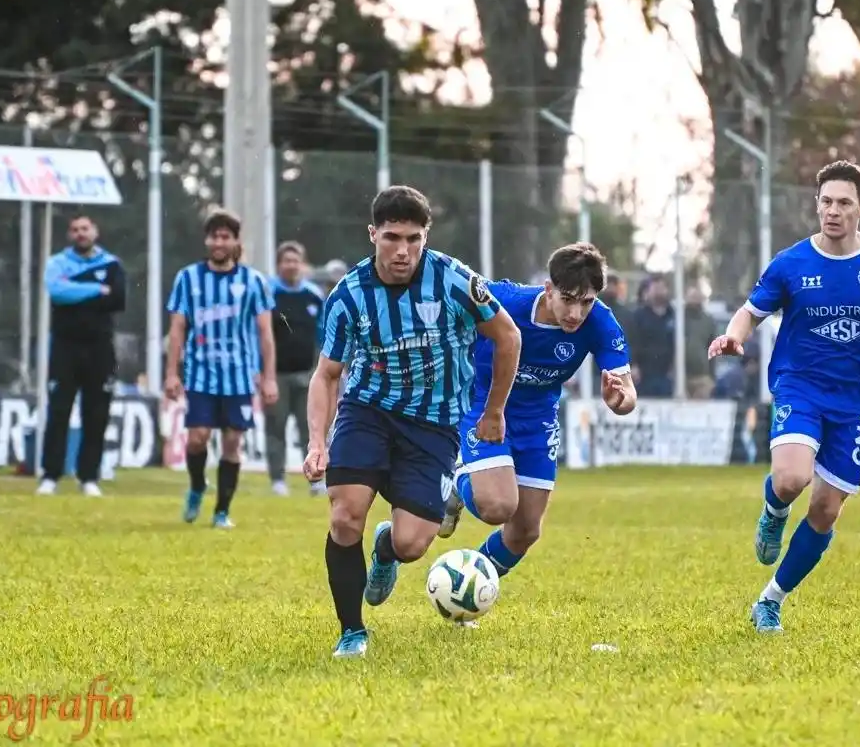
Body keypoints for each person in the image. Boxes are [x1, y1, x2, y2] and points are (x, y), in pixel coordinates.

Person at [301, 185, 522, 659]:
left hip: (433, 425)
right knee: (344, 516)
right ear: (372, 235)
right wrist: (317, 442)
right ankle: (352, 632)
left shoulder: (456, 281)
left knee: (411, 544)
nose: (403, 251)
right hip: (368, 412)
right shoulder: (348, 295)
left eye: (414, 239)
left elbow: (508, 335)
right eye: (392, 237)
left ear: (426, 237)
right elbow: (327, 375)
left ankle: (386, 551)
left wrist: (494, 410)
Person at [708, 160, 860, 633]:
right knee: (790, 478)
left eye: (844, 203)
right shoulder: (791, 263)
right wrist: (733, 337)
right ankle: (773, 511)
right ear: (817, 205)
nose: (833, 211)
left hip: (859, 398)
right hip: (800, 386)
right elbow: (750, 312)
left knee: (826, 511)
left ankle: (771, 600)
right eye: (826, 201)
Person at [438, 243, 637, 600]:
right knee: (497, 507)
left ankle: (465, 589)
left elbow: (628, 392)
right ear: (548, 289)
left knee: (525, 531)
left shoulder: (601, 322)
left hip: (539, 417)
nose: (577, 312)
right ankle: (456, 479)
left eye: (587, 301)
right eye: (569, 299)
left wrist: (619, 400)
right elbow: (449, 307)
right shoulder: (505, 301)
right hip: (484, 402)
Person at [164, 209, 279, 529]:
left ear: (235, 241)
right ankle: (198, 485)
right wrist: (172, 373)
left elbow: (265, 334)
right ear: (206, 240)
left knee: (232, 444)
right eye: (214, 236)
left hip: (240, 377)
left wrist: (269, 377)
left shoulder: (253, 281)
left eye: (225, 236)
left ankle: (221, 512)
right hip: (201, 375)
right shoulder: (188, 278)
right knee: (198, 438)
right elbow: (177, 329)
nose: (219, 241)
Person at [37, 215, 126, 497]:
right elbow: (57, 291)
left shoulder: (111, 264)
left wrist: (80, 291)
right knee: (58, 411)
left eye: (85, 229)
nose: (80, 234)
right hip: (64, 347)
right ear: (69, 235)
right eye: (75, 230)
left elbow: (118, 299)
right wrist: (96, 289)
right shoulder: (57, 263)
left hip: (100, 348)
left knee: (96, 413)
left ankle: (89, 477)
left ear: (95, 232)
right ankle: (51, 475)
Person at [266, 240, 326, 497]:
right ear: (279, 264)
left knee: (311, 427)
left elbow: (324, 334)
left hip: (307, 373)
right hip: (277, 374)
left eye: (295, 260)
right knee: (276, 427)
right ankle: (277, 479)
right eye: (286, 260)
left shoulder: (314, 295)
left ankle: (315, 479)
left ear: (302, 264)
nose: (291, 265)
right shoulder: (269, 294)